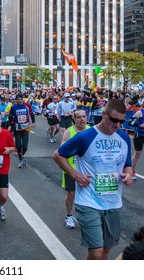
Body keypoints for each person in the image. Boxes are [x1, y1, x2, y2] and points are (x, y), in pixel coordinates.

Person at [53, 99, 134, 260]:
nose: (117, 125)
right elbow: (58, 155)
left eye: (121, 121)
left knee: (104, 253)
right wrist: (76, 175)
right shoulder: (86, 137)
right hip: (88, 202)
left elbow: (127, 164)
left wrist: (128, 174)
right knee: (96, 253)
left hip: (113, 203)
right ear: (103, 114)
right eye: (114, 120)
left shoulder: (124, 137)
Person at [60, 110, 90, 229]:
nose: (82, 119)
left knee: (88, 194)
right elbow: (61, 152)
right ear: (74, 119)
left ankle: (87, 217)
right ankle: (68, 215)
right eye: (79, 117)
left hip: (87, 169)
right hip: (72, 169)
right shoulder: (69, 132)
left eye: (84, 117)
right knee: (71, 194)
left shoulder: (90, 130)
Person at [8, 94, 35, 168]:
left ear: (23, 99)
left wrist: (33, 122)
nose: (20, 101)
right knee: (18, 146)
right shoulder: (13, 107)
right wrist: (10, 125)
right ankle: (21, 160)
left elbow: (32, 114)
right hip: (17, 128)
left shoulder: (27, 106)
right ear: (16, 100)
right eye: (18, 99)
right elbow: (10, 117)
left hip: (26, 128)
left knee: (25, 146)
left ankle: (22, 156)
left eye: (21, 99)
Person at [128, 102, 144, 180]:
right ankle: (131, 171)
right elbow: (130, 122)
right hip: (139, 136)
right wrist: (140, 125)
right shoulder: (140, 112)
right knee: (137, 155)